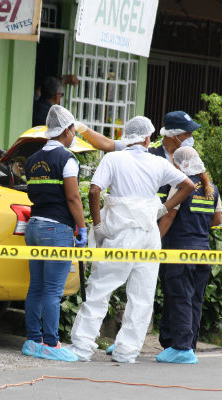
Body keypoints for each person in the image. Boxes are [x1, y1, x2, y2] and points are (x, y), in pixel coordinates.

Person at [68, 116, 196, 363]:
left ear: (127, 136)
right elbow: (188, 185)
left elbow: (95, 190)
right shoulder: (158, 162)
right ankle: (126, 352)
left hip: (120, 233)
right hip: (149, 234)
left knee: (100, 288)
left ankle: (82, 347)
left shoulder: (114, 159)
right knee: (142, 295)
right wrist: (162, 208)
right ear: (148, 138)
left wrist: (97, 224)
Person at [22, 105, 87, 362]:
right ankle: (51, 344)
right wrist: (81, 227)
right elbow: (72, 197)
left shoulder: (32, 159)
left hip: (34, 226)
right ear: (67, 131)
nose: (74, 136)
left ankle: (32, 340)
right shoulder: (67, 159)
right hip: (56, 228)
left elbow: (33, 194)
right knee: (52, 291)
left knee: (36, 287)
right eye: (73, 130)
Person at [156, 146, 222, 364]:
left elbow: (168, 217)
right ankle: (186, 344)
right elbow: (217, 220)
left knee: (179, 297)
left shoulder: (181, 186)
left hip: (179, 251)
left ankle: (182, 348)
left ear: (180, 164)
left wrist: (153, 242)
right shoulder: (211, 188)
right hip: (203, 251)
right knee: (194, 299)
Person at [149, 111, 201, 202]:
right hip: (153, 211)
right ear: (172, 135)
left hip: (178, 213)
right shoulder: (150, 153)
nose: (191, 138)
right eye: (187, 134)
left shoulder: (189, 155)